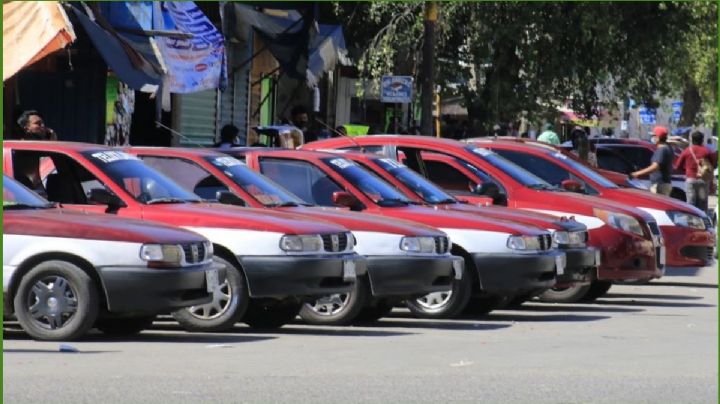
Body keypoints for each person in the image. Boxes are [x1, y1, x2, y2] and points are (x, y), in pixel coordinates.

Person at [673, 131, 717, 213]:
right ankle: (703, 223)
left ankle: (692, 223)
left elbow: (677, 166)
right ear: (702, 140)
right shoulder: (707, 151)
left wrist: (687, 170)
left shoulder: (686, 151)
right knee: (702, 206)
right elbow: (713, 165)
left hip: (691, 180)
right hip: (703, 180)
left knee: (690, 205)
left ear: (692, 140)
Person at [630, 126, 673, 196]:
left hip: (659, 184)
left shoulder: (662, 150)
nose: (652, 138)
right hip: (663, 183)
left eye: (654, 136)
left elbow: (655, 167)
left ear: (658, 137)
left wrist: (637, 173)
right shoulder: (668, 148)